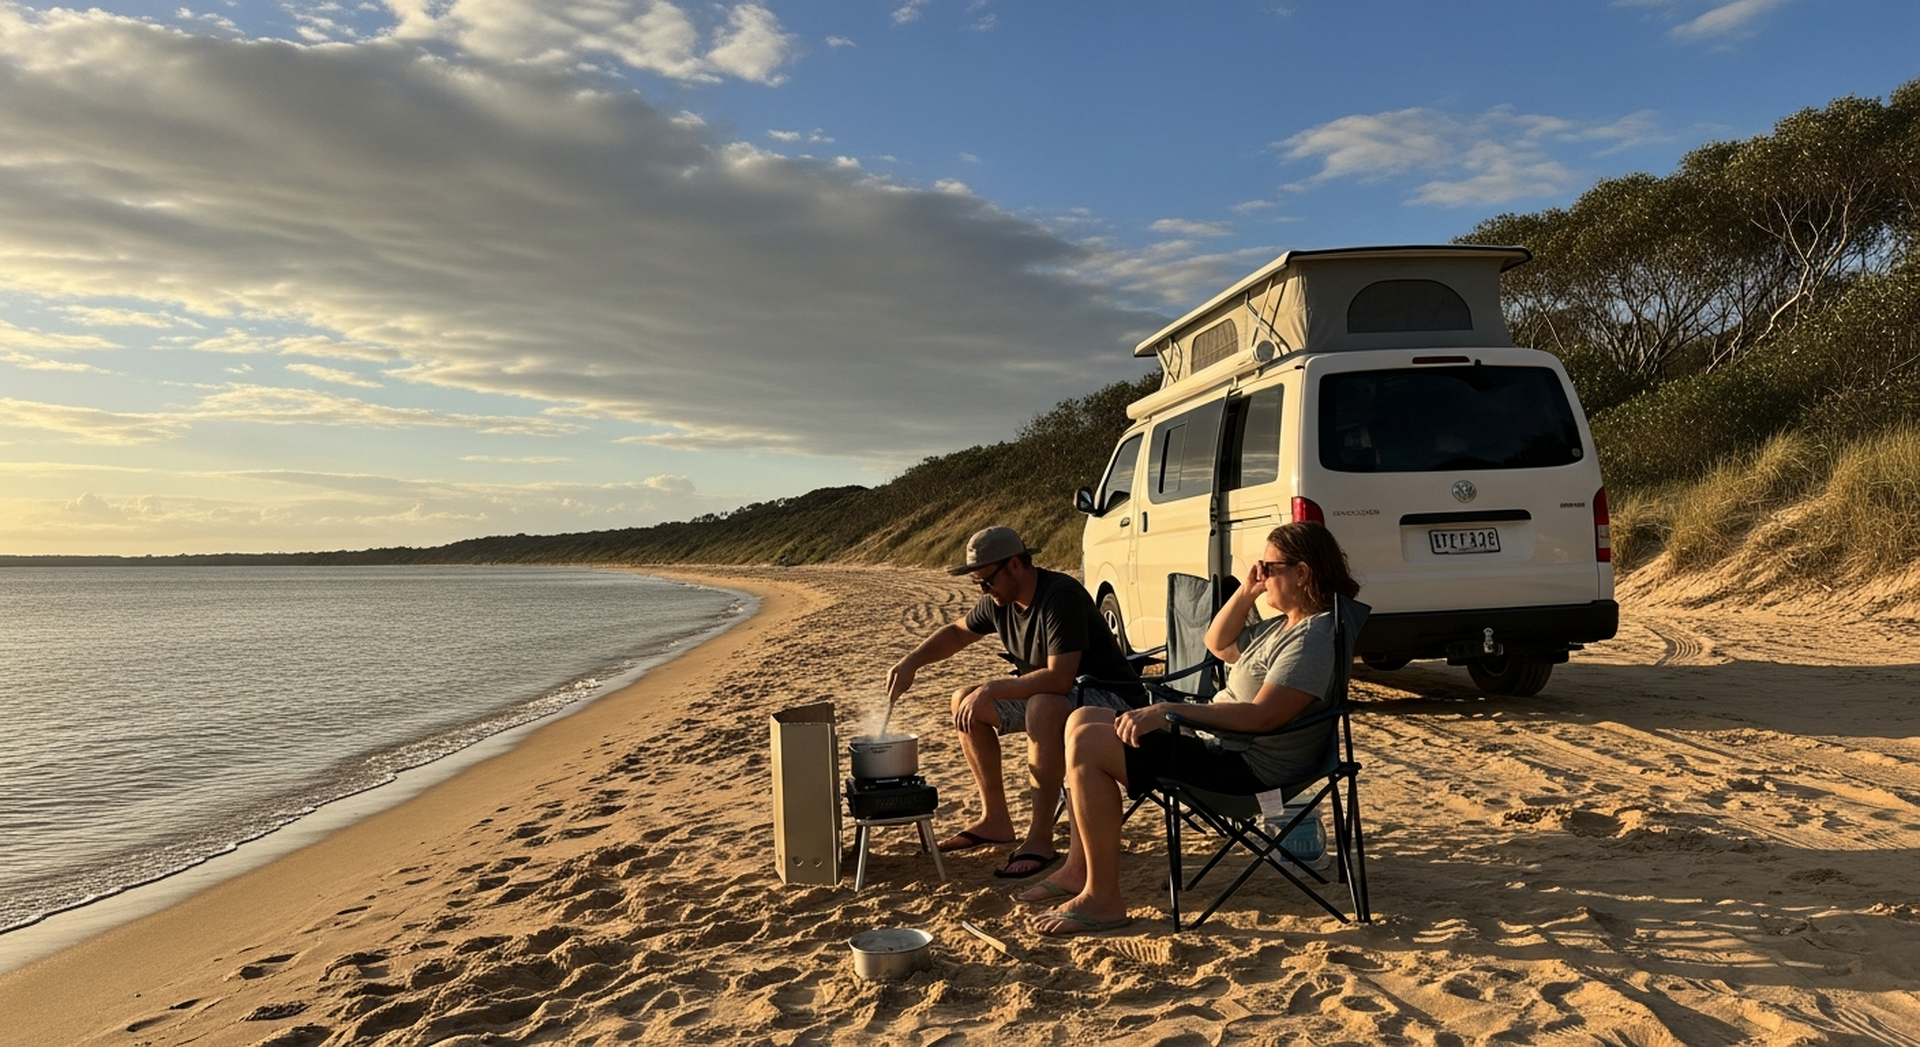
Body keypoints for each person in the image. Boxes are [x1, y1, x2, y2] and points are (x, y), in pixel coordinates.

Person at [1022, 521, 1360, 935]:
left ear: (1302, 573)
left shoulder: (1310, 639)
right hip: (1222, 747)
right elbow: (1217, 643)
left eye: (1269, 568)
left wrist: (1166, 711)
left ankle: (1103, 898)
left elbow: (1263, 716)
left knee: (1091, 742)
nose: (1261, 573)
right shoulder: (1283, 626)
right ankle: (1079, 869)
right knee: (1082, 718)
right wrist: (1248, 589)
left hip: (1246, 770)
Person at [885, 525, 1144, 879]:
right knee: (966, 701)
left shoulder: (1060, 596)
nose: (983, 590)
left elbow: (1060, 677)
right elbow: (958, 631)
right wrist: (911, 661)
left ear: (1016, 565)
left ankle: (1040, 838)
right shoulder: (999, 601)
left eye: (986, 581)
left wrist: (993, 687)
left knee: (1043, 704)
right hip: (1059, 697)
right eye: (977, 584)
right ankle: (996, 820)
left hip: (1111, 699)